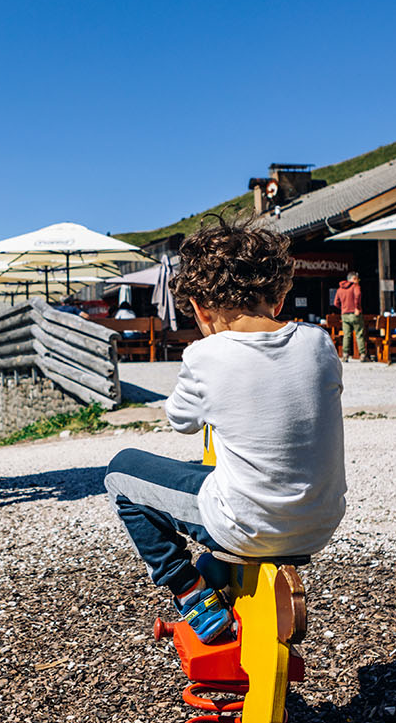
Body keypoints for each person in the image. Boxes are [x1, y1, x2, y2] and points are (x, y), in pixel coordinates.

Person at [104, 218, 346, 644]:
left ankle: (189, 592)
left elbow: (180, 421)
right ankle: (216, 575)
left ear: (198, 307)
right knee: (222, 477)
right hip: (319, 523)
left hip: (248, 524)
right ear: (281, 294)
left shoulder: (206, 354)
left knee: (122, 473)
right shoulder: (319, 342)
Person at [333, 271, 372, 362]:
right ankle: (362, 355)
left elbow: (335, 303)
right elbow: (358, 295)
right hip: (355, 314)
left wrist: (343, 308)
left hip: (344, 314)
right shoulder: (355, 286)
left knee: (346, 335)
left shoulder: (340, 289)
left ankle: (345, 355)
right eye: (357, 279)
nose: (358, 281)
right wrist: (357, 307)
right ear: (353, 279)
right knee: (359, 334)